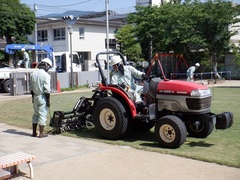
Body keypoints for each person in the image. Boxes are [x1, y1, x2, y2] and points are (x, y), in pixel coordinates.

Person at [30, 58, 52, 138]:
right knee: (42, 114)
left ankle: (34, 132)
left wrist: (33, 98)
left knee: (35, 114)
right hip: (42, 97)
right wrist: (48, 101)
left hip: (35, 96)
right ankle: (41, 133)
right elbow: (47, 90)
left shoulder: (33, 74)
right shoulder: (46, 75)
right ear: (47, 66)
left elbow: (31, 88)